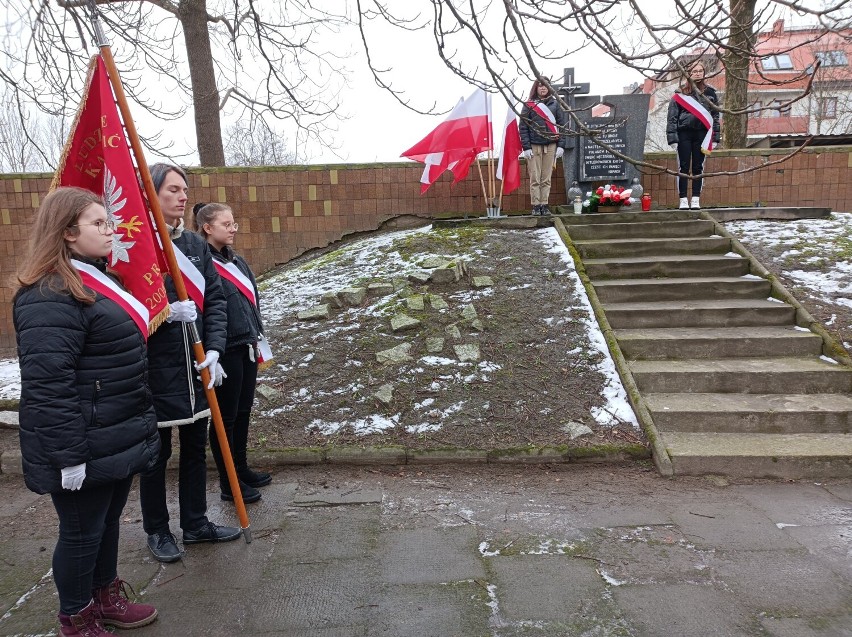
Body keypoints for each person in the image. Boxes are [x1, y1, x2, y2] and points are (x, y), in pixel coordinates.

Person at [14, 187, 161, 635]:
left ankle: (104, 596)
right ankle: (75, 617)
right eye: (100, 223)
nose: (111, 230)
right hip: (84, 439)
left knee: (107, 522)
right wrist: (68, 455)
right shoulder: (48, 296)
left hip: (113, 433)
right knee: (81, 533)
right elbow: (48, 384)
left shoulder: (96, 280)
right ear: (68, 232)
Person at [140, 163, 241, 563]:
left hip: (197, 366)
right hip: (156, 369)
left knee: (196, 449)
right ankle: (157, 530)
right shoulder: (137, 246)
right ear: (152, 193)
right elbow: (125, 308)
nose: (183, 196)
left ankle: (196, 523)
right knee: (155, 456)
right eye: (174, 190)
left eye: (185, 189)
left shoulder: (196, 246)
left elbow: (214, 299)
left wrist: (214, 348)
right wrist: (162, 312)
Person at [193, 202, 272, 504]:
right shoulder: (202, 263)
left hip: (246, 344)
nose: (233, 229)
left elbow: (251, 301)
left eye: (234, 223)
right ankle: (229, 483)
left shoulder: (236, 261)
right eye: (226, 224)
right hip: (222, 350)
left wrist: (257, 335)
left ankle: (241, 469)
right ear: (208, 228)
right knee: (225, 418)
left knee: (242, 413)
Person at [666, 62, 720, 210]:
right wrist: (672, 138)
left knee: (698, 167)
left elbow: (715, 117)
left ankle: (695, 198)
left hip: (702, 134)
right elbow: (672, 117)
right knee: (683, 167)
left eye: (700, 71)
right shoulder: (680, 94)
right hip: (684, 134)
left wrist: (715, 138)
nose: (697, 73)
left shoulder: (711, 93)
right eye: (694, 71)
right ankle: (683, 199)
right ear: (689, 73)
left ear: (704, 73)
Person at [519, 78, 568, 216]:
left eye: (545, 86)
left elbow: (561, 125)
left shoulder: (555, 104)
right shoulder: (529, 104)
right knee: (535, 177)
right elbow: (523, 126)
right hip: (534, 146)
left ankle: (544, 204)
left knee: (546, 178)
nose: (542, 88)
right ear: (536, 88)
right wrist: (526, 147)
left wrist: (561, 145)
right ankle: (536, 205)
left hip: (551, 144)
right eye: (540, 86)